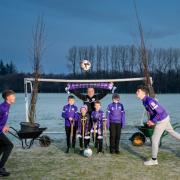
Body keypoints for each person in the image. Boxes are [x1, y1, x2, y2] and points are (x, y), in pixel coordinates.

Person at [136, 85, 180, 166]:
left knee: (154, 140)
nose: (136, 93)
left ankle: (154, 160)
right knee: (172, 132)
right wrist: (151, 120)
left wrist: (153, 121)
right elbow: (153, 112)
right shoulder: (144, 101)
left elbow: (159, 111)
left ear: (143, 92)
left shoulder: (149, 101)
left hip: (162, 120)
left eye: (138, 91)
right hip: (165, 118)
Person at [0, 90, 15, 177]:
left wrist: (5, 125)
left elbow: (2, 119)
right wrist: (2, 128)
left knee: (2, 146)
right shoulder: (2, 107)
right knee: (9, 145)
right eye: (13, 96)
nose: (14, 98)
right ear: (8, 97)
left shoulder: (7, 106)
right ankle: (0, 168)